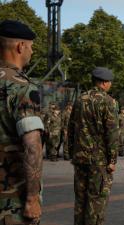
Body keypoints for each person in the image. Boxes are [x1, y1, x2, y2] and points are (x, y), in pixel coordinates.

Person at [0, 20, 44, 224]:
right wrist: (32, 199)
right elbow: (32, 147)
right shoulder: (22, 88)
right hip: (11, 202)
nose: (32, 52)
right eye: (31, 47)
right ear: (20, 47)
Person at [68, 67, 119, 225]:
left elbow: (71, 128)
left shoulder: (79, 99)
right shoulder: (109, 102)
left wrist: (72, 153)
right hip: (99, 161)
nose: (110, 85)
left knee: (80, 201)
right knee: (96, 202)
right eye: (109, 82)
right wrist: (113, 160)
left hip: (80, 158)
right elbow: (111, 133)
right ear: (104, 83)